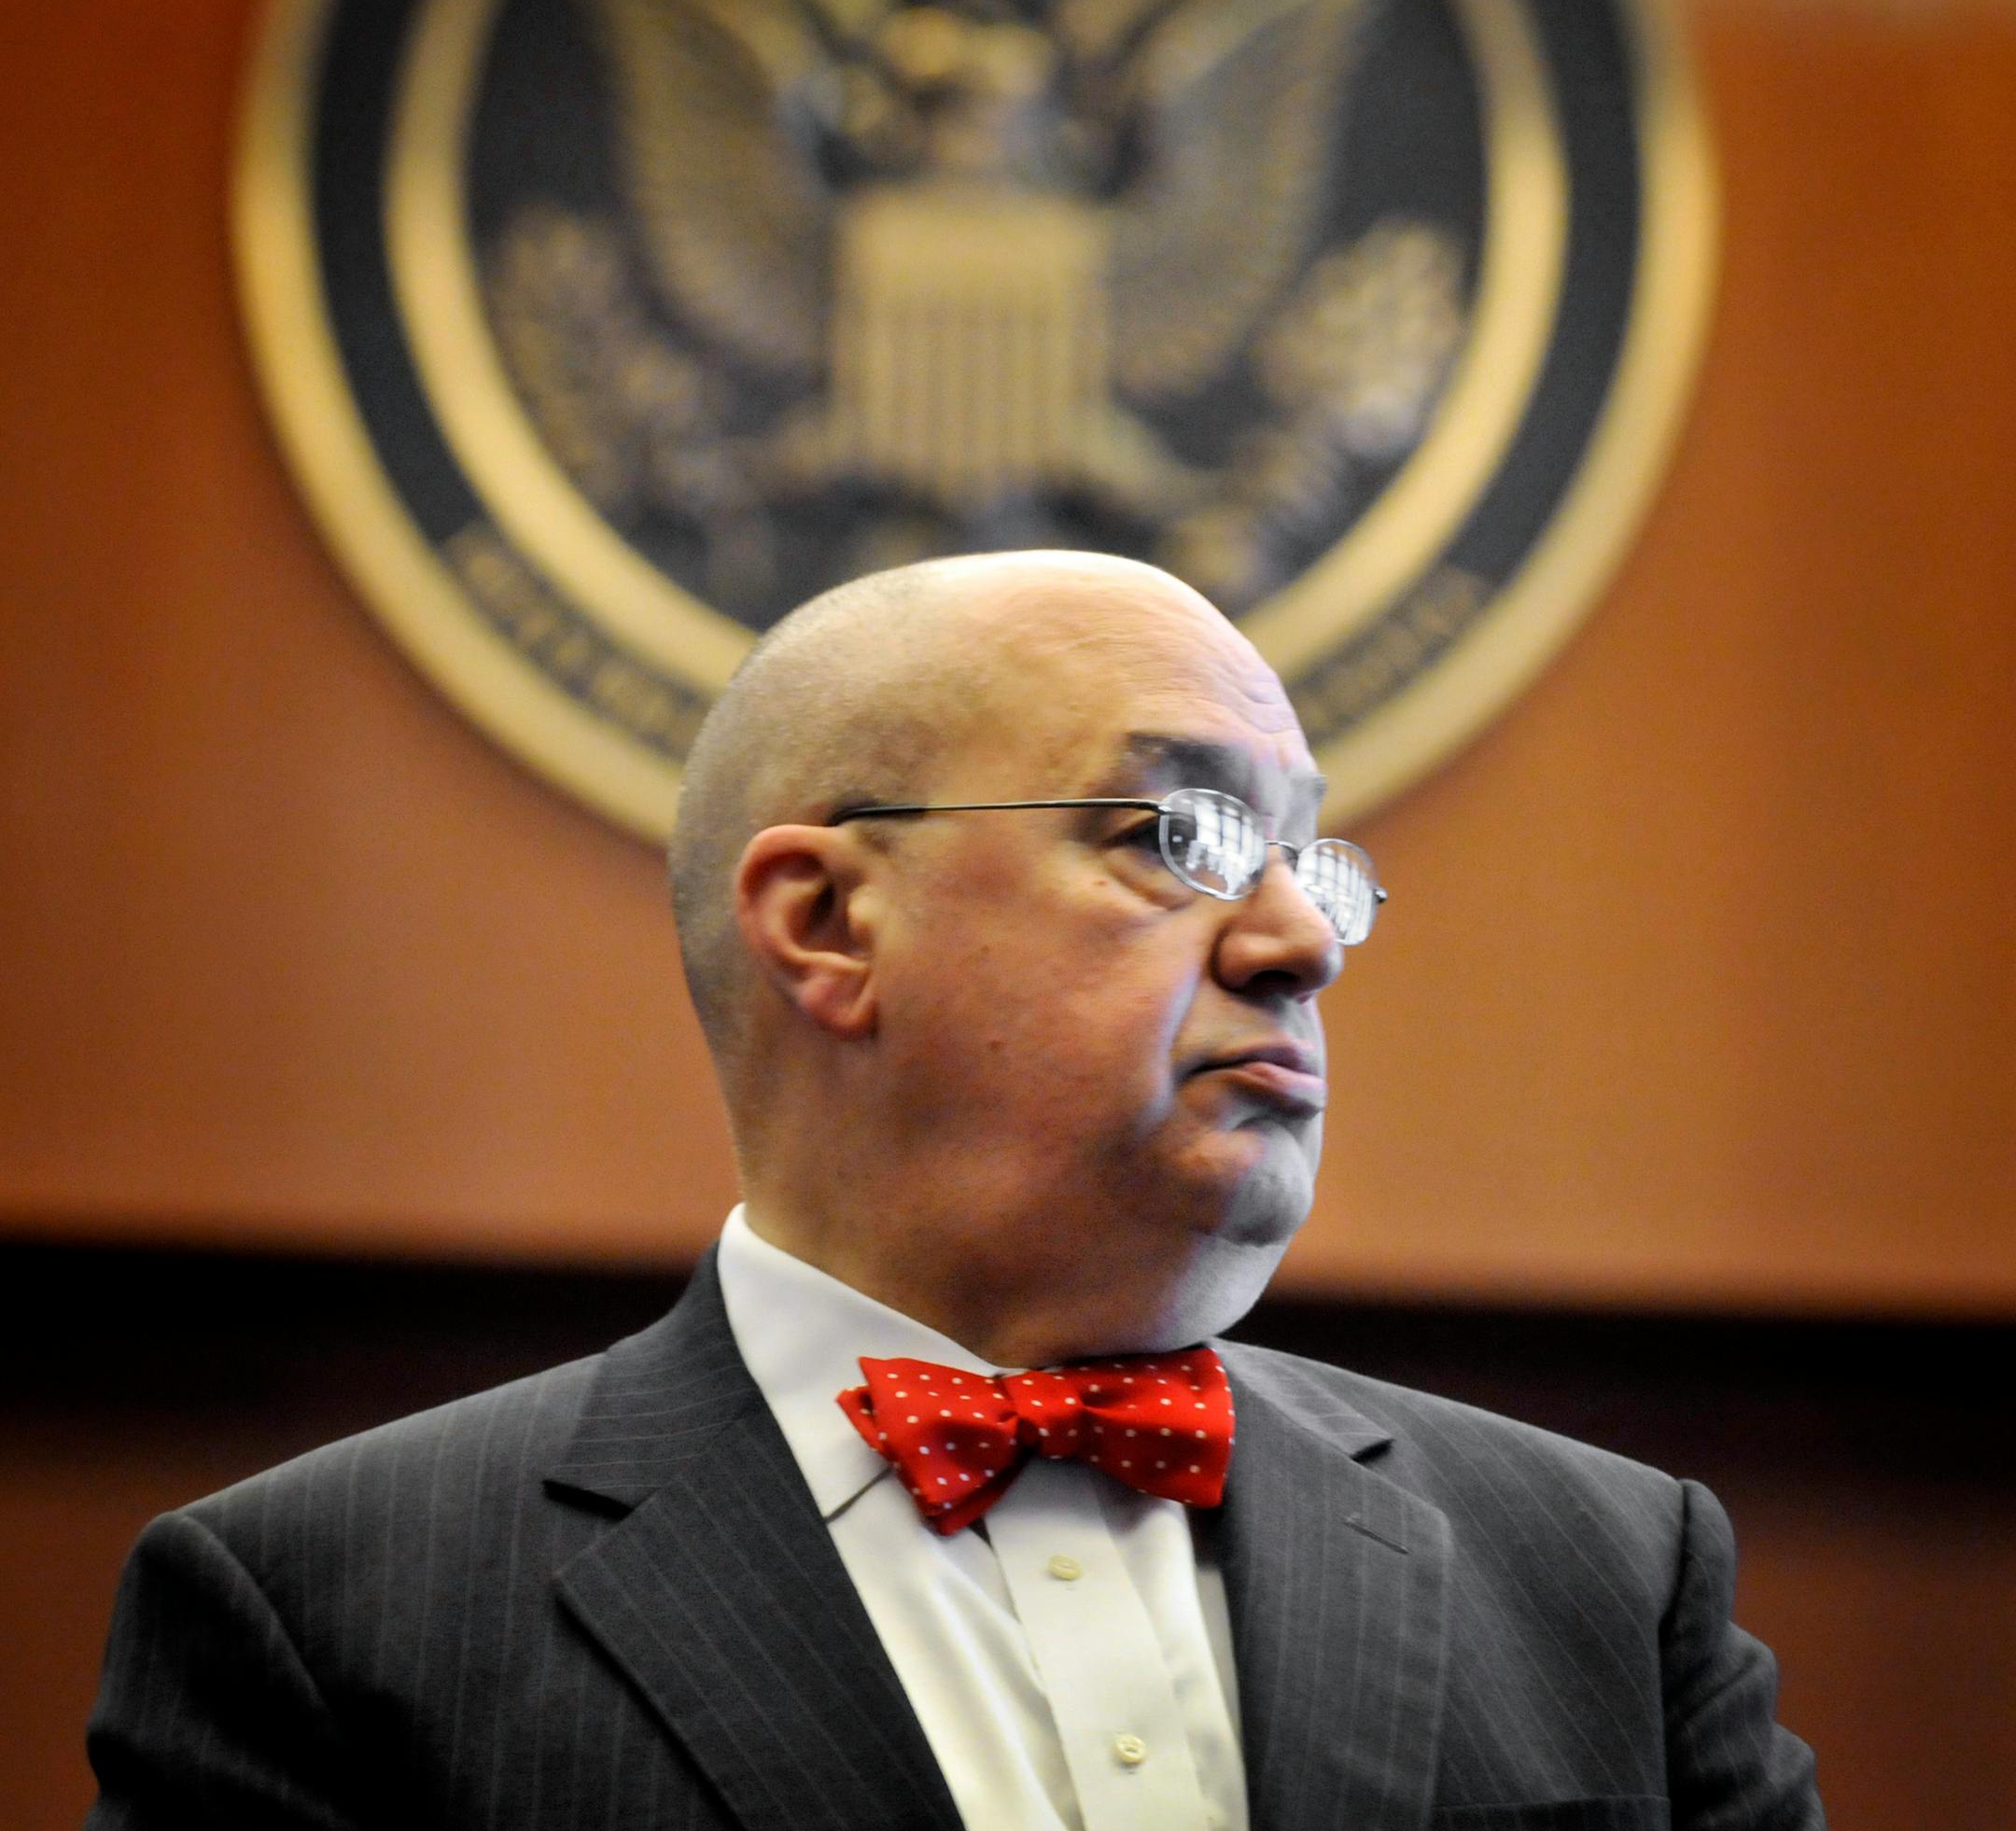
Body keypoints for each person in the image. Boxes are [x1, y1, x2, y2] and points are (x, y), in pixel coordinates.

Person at [85, 552, 1824, 1829]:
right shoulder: (327, 1618)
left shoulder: (1604, 1573)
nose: (1300, 940)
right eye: (1177, 837)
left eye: (1306, 857)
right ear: (833, 923)